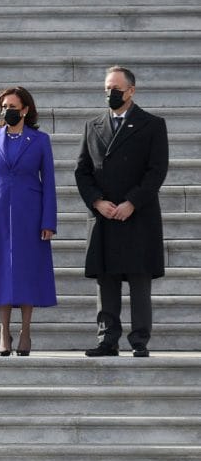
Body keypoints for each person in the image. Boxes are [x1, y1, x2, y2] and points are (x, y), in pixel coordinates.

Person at [75, 66, 168, 358]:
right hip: (104, 215)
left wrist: (132, 202)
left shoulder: (152, 124)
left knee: (139, 280)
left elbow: (156, 171)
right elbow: (82, 171)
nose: (110, 93)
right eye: (107, 88)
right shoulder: (93, 125)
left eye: (116, 88)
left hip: (137, 214)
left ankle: (139, 339)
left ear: (131, 90)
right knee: (107, 280)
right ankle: (107, 339)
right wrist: (97, 202)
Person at [0, 86, 57, 356]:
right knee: (1, 272)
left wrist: (48, 221)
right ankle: (4, 331)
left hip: (30, 213)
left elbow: (50, 183)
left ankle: (26, 330)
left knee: (28, 271)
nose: (8, 110)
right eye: (4, 106)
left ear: (26, 109)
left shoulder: (40, 140)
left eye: (13, 106)